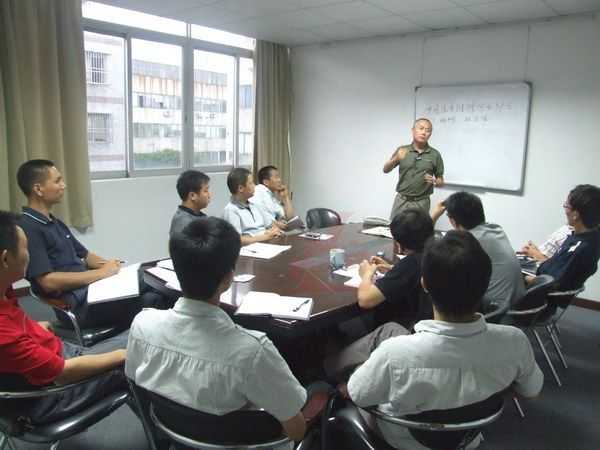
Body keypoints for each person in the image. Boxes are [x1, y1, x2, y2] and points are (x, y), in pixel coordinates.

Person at [344, 231, 543, 450]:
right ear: (486, 284)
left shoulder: (395, 354)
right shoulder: (515, 341)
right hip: (468, 438)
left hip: (404, 440)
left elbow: (357, 395)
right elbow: (532, 391)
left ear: (424, 284)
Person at [125, 217, 309, 443]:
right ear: (228, 278)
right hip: (237, 441)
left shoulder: (142, 325)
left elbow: (136, 383)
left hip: (171, 433)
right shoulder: (251, 351)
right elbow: (296, 431)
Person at [0, 210, 129, 425]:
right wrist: (123, 355)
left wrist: (32, 328)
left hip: (57, 357)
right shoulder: (5, 335)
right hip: (52, 395)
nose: (30, 255)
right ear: (5, 259)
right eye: (25, 248)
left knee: (139, 340)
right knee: (143, 354)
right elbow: (64, 373)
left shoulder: (4, 287)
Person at [16, 159, 160, 328]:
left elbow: (86, 255)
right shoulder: (28, 228)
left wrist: (112, 267)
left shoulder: (54, 222)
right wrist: (102, 273)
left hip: (91, 291)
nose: (63, 185)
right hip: (78, 305)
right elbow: (47, 282)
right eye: (57, 181)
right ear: (38, 189)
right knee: (150, 278)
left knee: (154, 298)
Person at [323, 209, 434, 381]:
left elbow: (365, 300)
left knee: (363, 322)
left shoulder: (411, 263)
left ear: (399, 243)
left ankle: (325, 370)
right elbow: (412, 273)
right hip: (427, 326)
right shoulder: (434, 254)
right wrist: (393, 269)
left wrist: (366, 274)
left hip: (412, 333)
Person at [431, 192, 525, 311]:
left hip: (495, 310)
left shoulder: (468, 241)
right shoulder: (496, 229)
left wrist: (434, 216)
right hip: (517, 305)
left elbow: (429, 251)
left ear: (453, 221)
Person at [534, 184, 600, 291]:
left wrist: (523, 277)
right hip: (544, 280)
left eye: (566, 205)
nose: (565, 209)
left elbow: (551, 283)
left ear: (576, 214)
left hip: (541, 293)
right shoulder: (592, 237)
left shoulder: (579, 248)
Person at [383, 118, 444, 221]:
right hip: (401, 200)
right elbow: (385, 170)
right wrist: (396, 159)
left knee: (419, 230)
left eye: (428, 130)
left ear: (430, 134)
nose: (424, 132)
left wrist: (435, 181)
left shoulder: (435, 155)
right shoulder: (402, 150)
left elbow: (440, 181)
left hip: (421, 202)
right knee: (394, 228)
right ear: (413, 130)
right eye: (421, 128)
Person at [222, 168, 283, 246]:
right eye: (251, 183)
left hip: (265, 245)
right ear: (241, 188)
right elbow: (237, 240)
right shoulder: (231, 210)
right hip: (249, 250)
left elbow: (267, 227)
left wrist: (271, 231)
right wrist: (265, 236)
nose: (254, 186)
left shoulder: (254, 205)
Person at [169, 170, 210, 236]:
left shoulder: (197, 216)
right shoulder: (184, 223)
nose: (209, 195)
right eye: (205, 191)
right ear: (192, 196)